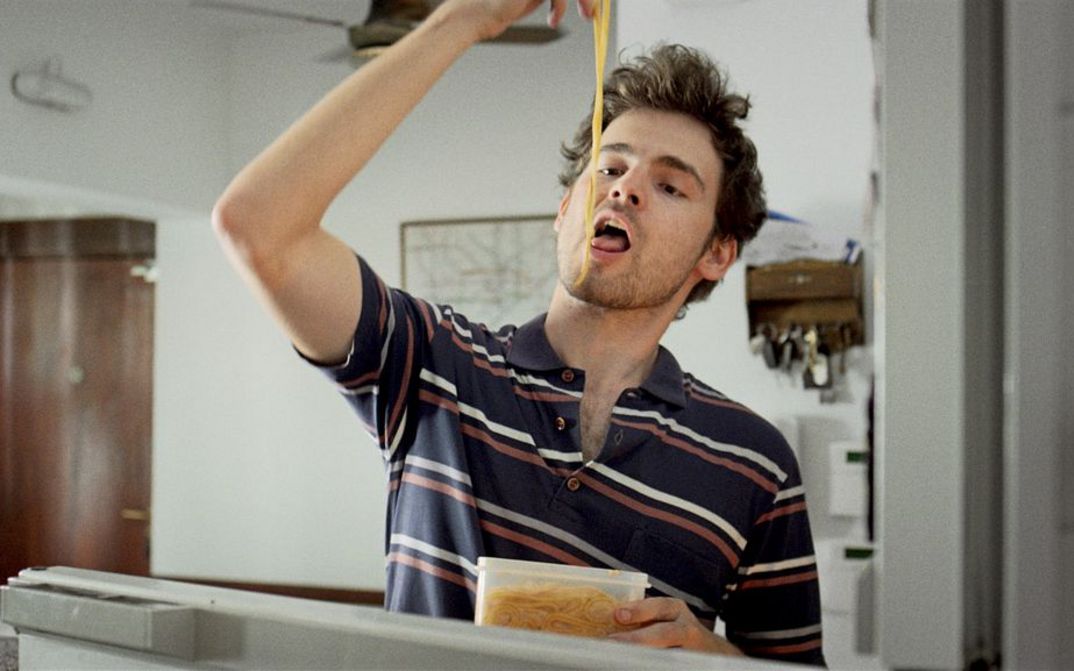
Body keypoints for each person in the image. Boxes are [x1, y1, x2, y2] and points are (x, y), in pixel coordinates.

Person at [213, 0, 824, 665]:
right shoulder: (435, 362)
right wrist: (461, 21)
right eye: (610, 167)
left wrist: (714, 654)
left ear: (717, 253)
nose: (625, 190)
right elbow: (257, 227)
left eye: (671, 186)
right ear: (566, 208)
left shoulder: (755, 463)